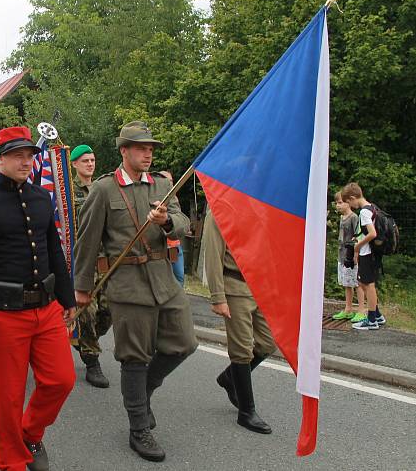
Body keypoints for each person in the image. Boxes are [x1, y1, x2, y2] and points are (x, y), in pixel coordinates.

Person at [74, 121, 197, 463]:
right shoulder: (103, 190)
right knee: (135, 356)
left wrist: (167, 222)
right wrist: (82, 288)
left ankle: (143, 392)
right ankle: (138, 427)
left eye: (151, 149)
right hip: (127, 283)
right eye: (142, 148)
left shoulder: (161, 183)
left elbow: (184, 222)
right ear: (124, 151)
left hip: (163, 279)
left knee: (184, 343)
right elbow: (87, 243)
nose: (148, 153)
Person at [0, 128, 76, 471]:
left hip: (46, 307)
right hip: (3, 314)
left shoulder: (40, 197)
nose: (27, 161)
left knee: (61, 380)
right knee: (7, 397)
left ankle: (30, 431)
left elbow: (54, 248)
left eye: (30, 155)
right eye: (18, 156)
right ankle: (11, 461)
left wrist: (67, 298)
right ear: (1, 158)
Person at [203, 208, 276, 434]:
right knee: (242, 348)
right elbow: (213, 254)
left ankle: (229, 377)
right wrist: (218, 296)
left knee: (268, 343)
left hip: (260, 287)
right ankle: (246, 412)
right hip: (234, 285)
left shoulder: (259, 207)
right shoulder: (220, 208)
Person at [69, 143, 112, 389]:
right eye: (84, 160)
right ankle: (92, 359)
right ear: (74, 164)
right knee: (88, 310)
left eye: (93, 160)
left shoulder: (102, 189)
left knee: (109, 311)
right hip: (82, 261)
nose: (90, 164)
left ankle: (84, 339)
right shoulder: (69, 193)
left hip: (105, 260)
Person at [342, 182, 386, 330]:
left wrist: (358, 246)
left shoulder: (364, 212)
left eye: (349, 202)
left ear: (353, 197)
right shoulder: (371, 207)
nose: (351, 205)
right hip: (369, 252)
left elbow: (372, 233)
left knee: (369, 285)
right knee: (363, 283)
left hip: (368, 252)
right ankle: (378, 315)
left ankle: (372, 319)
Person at [332, 191, 363, 321]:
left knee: (357, 283)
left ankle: (361, 310)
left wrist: (356, 253)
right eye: (336, 203)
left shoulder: (354, 217)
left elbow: (358, 236)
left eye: (340, 203)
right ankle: (348, 309)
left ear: (348, 203)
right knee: (346, 283)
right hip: (342, 255)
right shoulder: (341, 218)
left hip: (352, 256)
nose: (337, 205)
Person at [159, 171, 185, 287]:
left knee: (179, 278)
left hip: (175, 246)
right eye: (166, 181)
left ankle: (179, 302)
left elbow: (182, 222)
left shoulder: (174, 200)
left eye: (170, 181)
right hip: (161, 248)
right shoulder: (155, 198)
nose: (169, 183)